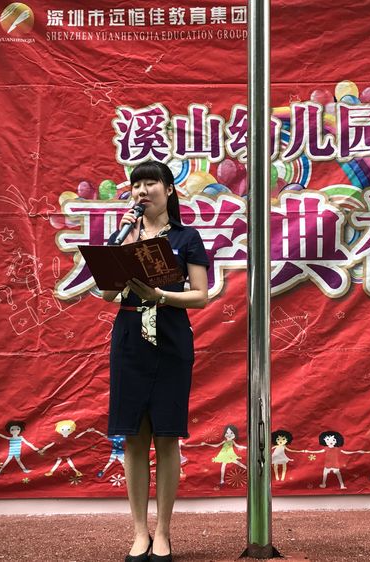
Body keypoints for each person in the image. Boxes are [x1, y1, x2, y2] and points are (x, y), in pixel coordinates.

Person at [102, 160, 209, 562]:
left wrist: (160, 295)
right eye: (136, 185)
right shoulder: (123, 235)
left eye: (151, 183)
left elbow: (200, 296)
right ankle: (138, 532)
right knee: (133, 438)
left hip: (171, 336)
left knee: (166, 436)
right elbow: (107, 295)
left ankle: (162, 532)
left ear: (169, 189)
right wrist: (121, 250)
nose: (142, 191)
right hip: (130, 338)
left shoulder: (186, 237)